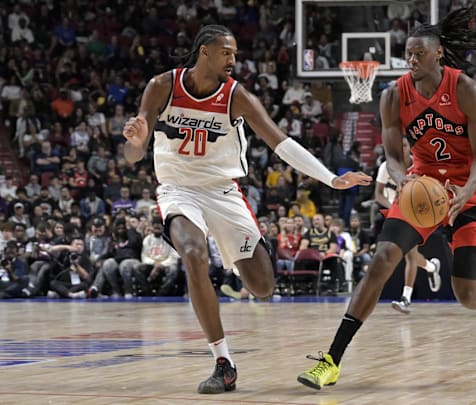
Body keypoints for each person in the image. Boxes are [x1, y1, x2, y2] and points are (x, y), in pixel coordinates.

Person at [121, 25, 371, 395]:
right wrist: (136, 143)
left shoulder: (235, 95)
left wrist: (331, 179)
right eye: (226, 53)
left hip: (224, 193)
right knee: (192, 253)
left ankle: (238, 254)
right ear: (204, 51)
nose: (233, 61)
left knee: (263, 286)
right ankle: (224, 362)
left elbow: (280, 143)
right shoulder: (162, 86)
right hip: (178, 190)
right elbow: (133, 153)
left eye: (235, 53)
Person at [297, 7, 476, 390]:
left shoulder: (466, 89)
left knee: (467, 294)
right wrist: (402, 179)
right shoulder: (392, 96)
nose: (411, 60)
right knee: (382, 259)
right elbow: (392, 153)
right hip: (423, 189)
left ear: (437, 54)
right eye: (408, 54)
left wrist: (466, 191)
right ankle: (332, 359)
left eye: (419, 54)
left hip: (471, 194)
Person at [375, 138, 442, 314]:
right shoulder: (385, 167)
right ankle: (431, 267)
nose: (400, 148)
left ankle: (406, 298)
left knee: (409, 255)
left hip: (412, 214)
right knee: (405, 253)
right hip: (393, 213)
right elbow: (378, 194)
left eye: (404, 145)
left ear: (410, 148)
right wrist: (393, 210)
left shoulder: (419, 167)